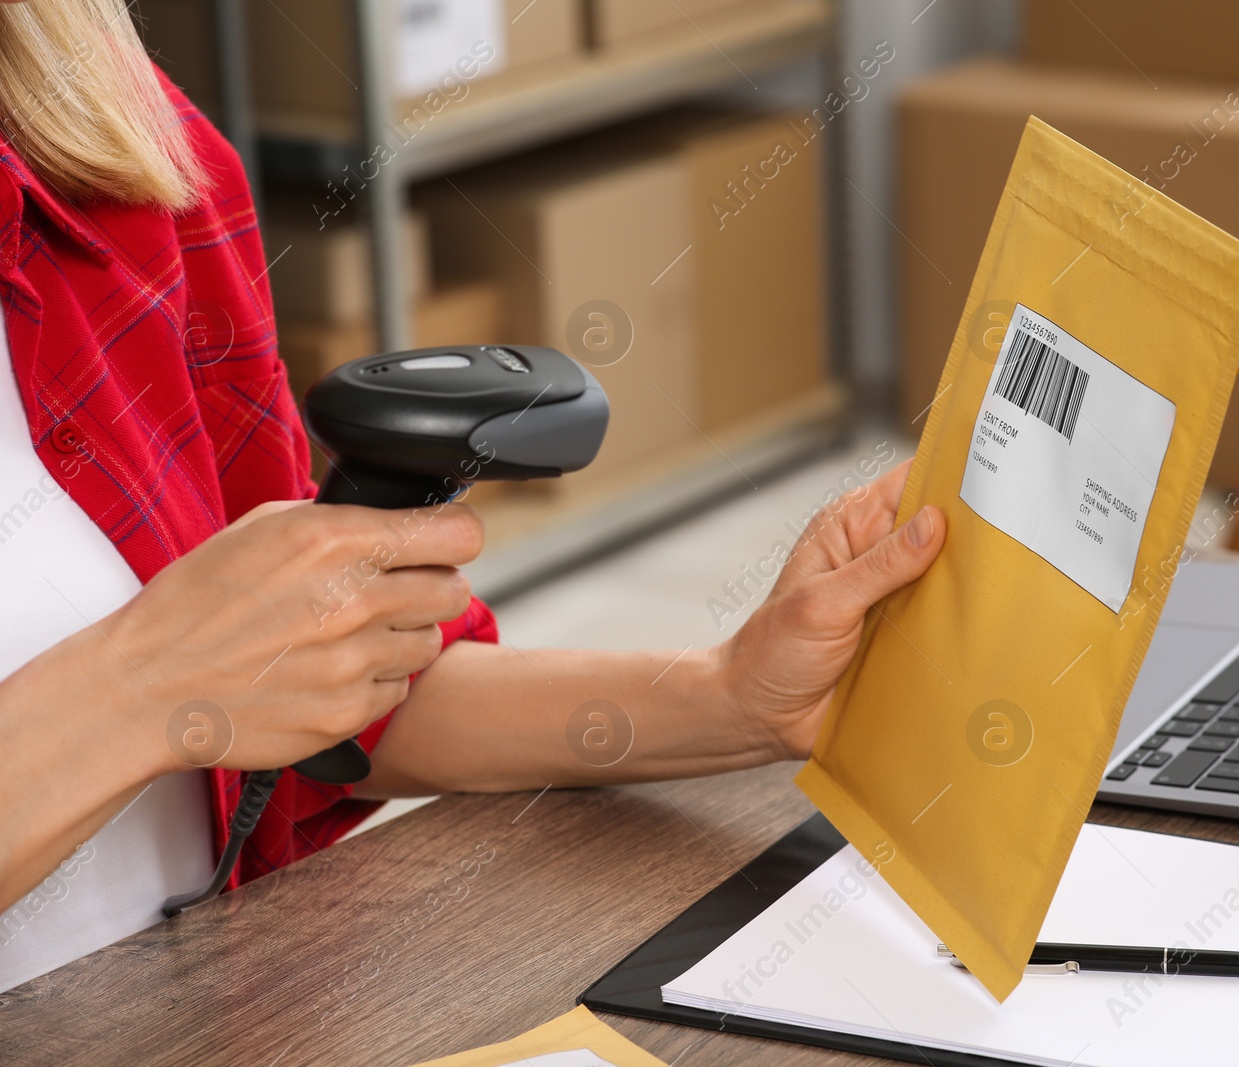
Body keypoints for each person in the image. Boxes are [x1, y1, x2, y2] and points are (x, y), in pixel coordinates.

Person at [0, 0, 946, 991]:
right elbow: (195, 668)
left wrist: (730, 694)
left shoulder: (115, 146)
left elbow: (347, 708)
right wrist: (137, 685)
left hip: (219, 1012)